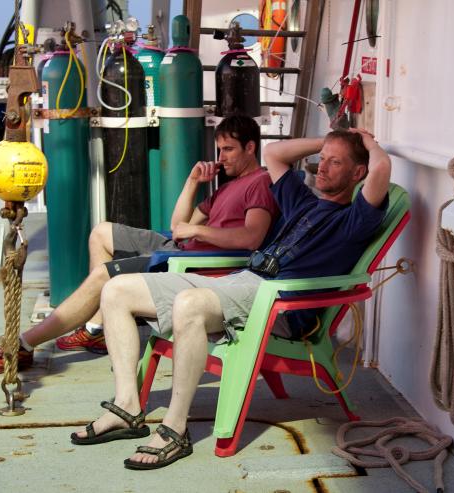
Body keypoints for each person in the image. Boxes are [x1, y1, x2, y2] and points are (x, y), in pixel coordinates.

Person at [69, 128, 392, 470]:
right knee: (116, 290)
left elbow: (382, 169)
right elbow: (276, 153)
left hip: (276, 304)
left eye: (335, 162)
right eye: (322, 158)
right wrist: (329, 141)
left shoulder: (354, 220)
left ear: (358, 173)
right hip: (244, 283)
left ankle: (175, 430)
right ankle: (128, 407)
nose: (322, 167)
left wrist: (367, 141)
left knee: (189, 305)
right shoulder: (305, 202)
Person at [0, 115, 279, 374]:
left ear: (251, 148)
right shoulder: (228, 186)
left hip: (196, 263)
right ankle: (95, 329)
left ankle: (23, 345)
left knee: (106, 275)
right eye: (219, 149)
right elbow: (177, 225)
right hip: (180, 245)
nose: (221, 157)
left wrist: (198, 232)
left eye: (228, 150)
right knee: (102, 232)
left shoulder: (259, 184)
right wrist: (192, 182)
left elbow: (251, 237)